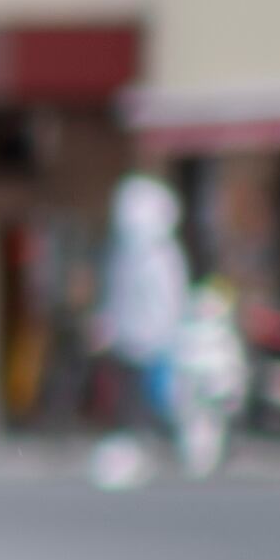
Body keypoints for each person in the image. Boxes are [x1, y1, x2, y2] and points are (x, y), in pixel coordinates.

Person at [90, 168, 192, 488]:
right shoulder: (123, 255)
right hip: (128, 342)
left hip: (155, 343)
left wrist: (168, 334)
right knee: (131, 402)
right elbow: (116, 295)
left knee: (158, 399)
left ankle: (167, 449)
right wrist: (108, 325)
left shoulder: (163, 256)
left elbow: (171, 300)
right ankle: (136, 451)